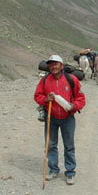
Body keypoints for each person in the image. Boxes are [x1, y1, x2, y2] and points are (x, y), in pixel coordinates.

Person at [34, 54, 86, 185]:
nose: (53, 66)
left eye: (56, 64)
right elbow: (37, 95)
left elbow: (81, 98)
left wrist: (74, 106)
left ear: (61, 66)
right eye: (51, 64)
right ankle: (53, 169)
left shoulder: (71, 79)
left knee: (69, 146)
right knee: (51, 145)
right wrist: (46, 100)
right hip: (51, 116)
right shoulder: (45, 80)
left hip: (67, 117)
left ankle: (70, 172)